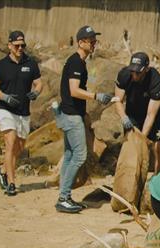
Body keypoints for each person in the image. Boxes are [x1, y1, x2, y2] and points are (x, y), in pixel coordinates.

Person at [54, 25, 114, 213]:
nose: (94, 44)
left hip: (71, 114)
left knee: (70, 156)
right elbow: (73, 90)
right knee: (79, 156)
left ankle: (65, 196)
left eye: (95, 41)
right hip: (71, 117)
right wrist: (96, 96)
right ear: (81, 42)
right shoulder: (76, 63)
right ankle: (63, 197)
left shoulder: (78, 61)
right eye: (91, 41)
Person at [0, 30, 42, 196]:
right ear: (9, 45)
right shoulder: (1, 65)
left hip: (23, 111)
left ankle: (2, 171)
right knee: (10, 143)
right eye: (17, 45)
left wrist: (36, 92)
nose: (20, 48)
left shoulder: (31, 63)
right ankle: (11, 184)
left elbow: (38, 83)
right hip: (5, 110)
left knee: (19, 148)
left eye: (23, 45)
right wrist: (5, 97)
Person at [114, 52, 160, 173]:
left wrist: (142, 138)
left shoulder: (156, 79)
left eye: (138, 72)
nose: (134, 74)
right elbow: (118, 100)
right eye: (132, 70)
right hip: (132, 113)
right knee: (131, 146)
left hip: (153, 114)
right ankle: (130, 176)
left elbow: (151, 115)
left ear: (146, 69)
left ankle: (159, 178)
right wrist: (123, 118)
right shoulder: (124, 75)